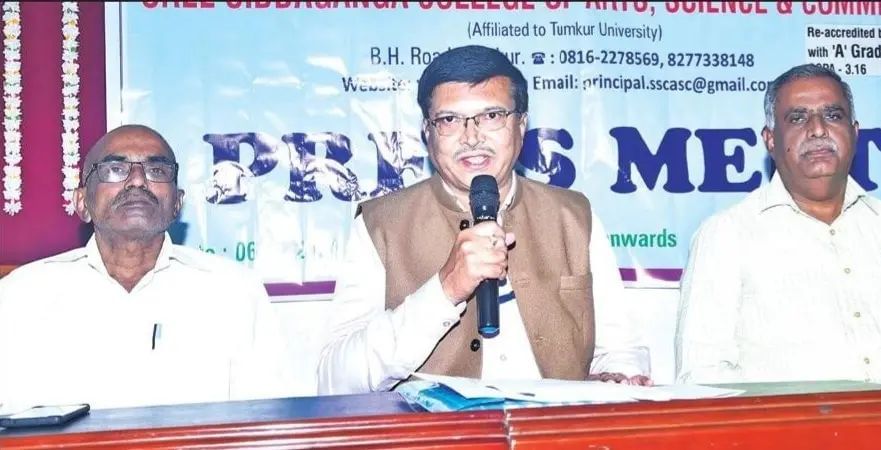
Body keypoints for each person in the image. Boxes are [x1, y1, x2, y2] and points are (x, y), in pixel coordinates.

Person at [317, 45, 650, 394]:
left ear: (521, 124)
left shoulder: (574, 216)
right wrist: (444, 290)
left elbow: (620, 352)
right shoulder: (380, 224)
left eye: (491, 116)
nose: (472, 137)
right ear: (427, 132)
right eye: (449, 120)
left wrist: (617, 375)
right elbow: (335, 382)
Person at [675, 64, 881, 384]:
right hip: (789, 417)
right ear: (770, 140)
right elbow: (704, 373)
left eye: (833, 115)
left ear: (854, 132)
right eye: (798, 118)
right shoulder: (726, 235)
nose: (818, 129)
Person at [0, 125, 295, 412]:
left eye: (157, 170)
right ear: (82, 202)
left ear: (177, 203)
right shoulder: (21, 296)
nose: (138, 181)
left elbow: (267, 422)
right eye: (115, 169)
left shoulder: (234, 292)